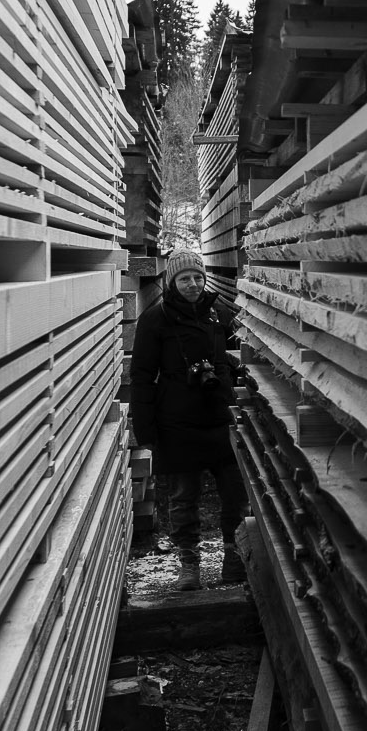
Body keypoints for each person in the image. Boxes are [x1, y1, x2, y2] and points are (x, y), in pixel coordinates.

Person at [128, 249, 244, 589]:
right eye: (184, 278)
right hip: (176, 422)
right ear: (171, 282)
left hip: (219, 417)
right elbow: (142, 375)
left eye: (197, 277)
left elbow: (236, 356)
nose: (192, 284)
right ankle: (189, 564)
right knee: (183, 498)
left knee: (235, 494)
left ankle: (234, 555)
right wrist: (145, 428)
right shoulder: (155, 319)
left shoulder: (218, 312)